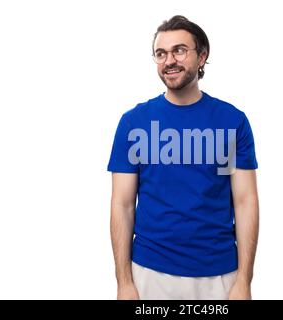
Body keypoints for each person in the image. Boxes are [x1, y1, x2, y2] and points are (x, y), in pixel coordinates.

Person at [107, 15, 259, 300]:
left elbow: (245, 201)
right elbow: (122, 204)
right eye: (161, 53)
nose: (169, 61)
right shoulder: (134, 123)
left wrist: (244, 281)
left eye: (179, 50)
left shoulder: (231, 122)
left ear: (202, 56)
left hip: (219, 275)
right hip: (150, 273)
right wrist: (124, 282)